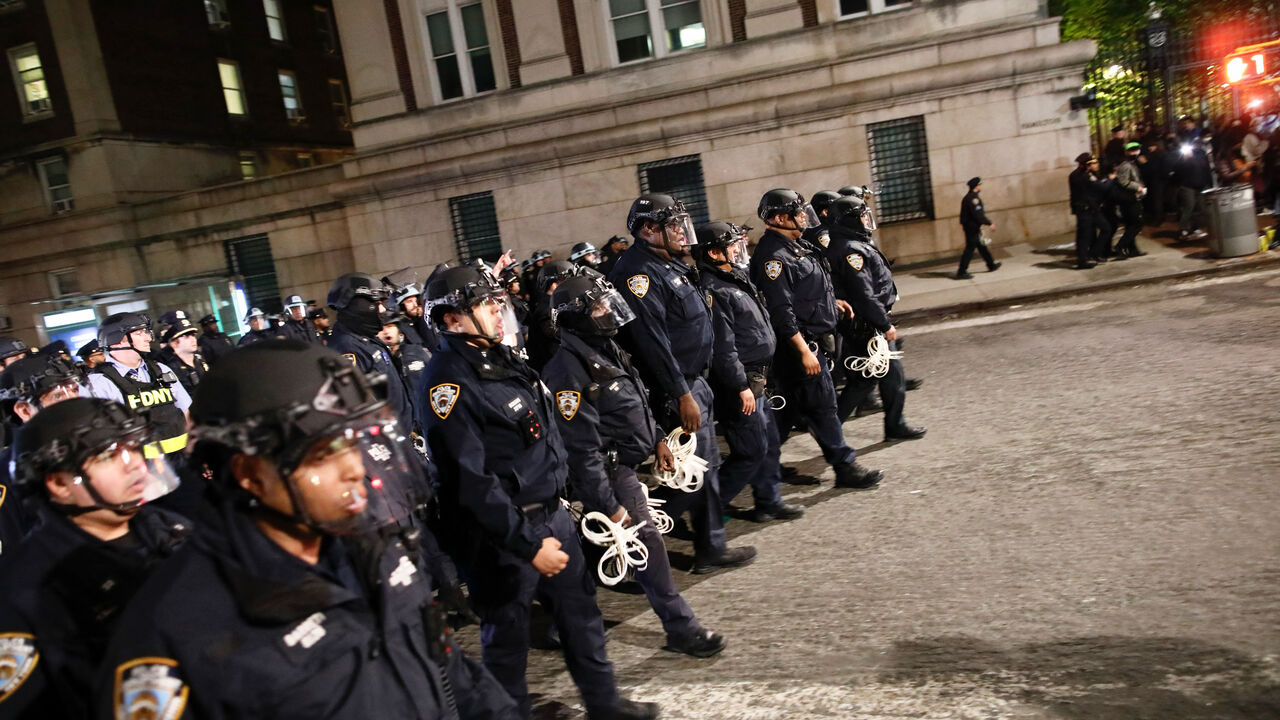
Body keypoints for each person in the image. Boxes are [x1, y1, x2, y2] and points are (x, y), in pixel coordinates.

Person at [96, 341, 517, 720]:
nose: (355, 469)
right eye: (323, 454)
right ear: (251, 474)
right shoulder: (174, 633)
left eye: (356, 443)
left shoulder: (374, 548)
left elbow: (452, 673)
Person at [419, 266, 659, 720]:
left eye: (495, 301)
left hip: (552, 516)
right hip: (504, 536)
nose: (496, 309)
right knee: (507, 638)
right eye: (484, 303)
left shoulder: (502, 358)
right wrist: (528, 545)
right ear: (452, 319)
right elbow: (470, 480)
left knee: (582, 619)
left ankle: (605, 706)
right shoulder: (446, 382)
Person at [542, 273, 727, 657]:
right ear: (577, 318)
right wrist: (610, 505)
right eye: (597, 308)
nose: (607, 312)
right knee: (648, 543)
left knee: (586, 554)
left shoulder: (606, 347)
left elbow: (636, 400)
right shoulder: (567, 371)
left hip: (624, 461)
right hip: (606, 472)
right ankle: (681, 627)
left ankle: (568, 623)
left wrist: (658, 437)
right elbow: (580, 449)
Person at [0, 397, 188, 717]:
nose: (134, 463)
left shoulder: (173, 529)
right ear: (60, 483)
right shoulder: (26, 588)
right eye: (108, 456)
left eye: (132, 447)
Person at [608, 193, 757, 574]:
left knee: (702, 468)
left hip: (694, 382)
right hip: (675, 388)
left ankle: (710, 547)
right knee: (684, 475)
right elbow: (652, 343)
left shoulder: (668, 264)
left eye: (680, 224)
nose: (680, 232)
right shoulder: (636, 274)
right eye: (671, 225)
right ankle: (624, 548)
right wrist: (682, 393)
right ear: (647, 230)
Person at [749, 189, 883, 489]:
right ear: (779, 218)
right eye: (796, 213)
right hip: (801, 345)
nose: (802, 217)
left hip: (813, 339)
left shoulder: (794, 246)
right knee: (823, 408)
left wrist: (830, 302)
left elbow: (804, 289)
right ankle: (845, 467)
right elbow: (780, 310)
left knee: (788, 414)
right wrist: (803, 350)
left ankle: (764, 469)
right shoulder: (774, 256)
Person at [693, 222, 802, 522]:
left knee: (767, 444)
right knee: (749, 451)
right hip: (740, 385)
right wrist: (741, 385)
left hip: (757, 377)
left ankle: (769, 500)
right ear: (713, 252)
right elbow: (724, 348)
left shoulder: (734, 277)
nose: (738, 249)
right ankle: (709, 516)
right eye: (731, 245)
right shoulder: (713, 289)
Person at [826, 196, 926, 442]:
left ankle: (895, 424)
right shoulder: (850, 250)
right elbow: (863, 294)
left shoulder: (852, 243)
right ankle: (828, 430)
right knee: (864, 381)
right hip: (867, 325)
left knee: (888, 376)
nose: (865, 220)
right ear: (850, 219)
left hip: (868, 322)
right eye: (861, 215)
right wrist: (884, 324)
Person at [0, 350, 90, 555]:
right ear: (24, 411)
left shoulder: (90, 447)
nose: (73, 402)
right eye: (58, 395)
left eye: (74, 390)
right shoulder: (7, 474)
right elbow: (14, 550)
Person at [85, 312, 191, 462]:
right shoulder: (99, 383)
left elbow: (187, 413)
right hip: (143, 468)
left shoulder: (161, 369)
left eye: (146, 332)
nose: (148, 338)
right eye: (139, 333)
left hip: (185, 459)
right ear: (118, 340)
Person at [326, 273, 416, 433]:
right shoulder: (347, 347)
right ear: (358, 304)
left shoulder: (364, 339)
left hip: (404, 436)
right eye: (377, 302)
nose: (382, 308)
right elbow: (359, 413)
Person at [154, 312, 211, 396]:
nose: (193, 339)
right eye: (186, 336)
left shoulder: (199, 357)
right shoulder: (169, 365)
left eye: (193, 335)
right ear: (174, 343)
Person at [1068, 153, 1108, 269]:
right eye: (1093, 163)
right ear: (1086, 165)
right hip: (1084, 210)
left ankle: (1094, 253)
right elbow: (1096, 188)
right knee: (1084, 236)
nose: (1096, 165)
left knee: (1106, 228)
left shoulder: (1088, 174)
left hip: (1093, 209)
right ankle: (1082, 261)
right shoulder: (1078, 176)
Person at [955, 177, 1000, 279]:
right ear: (976, 186)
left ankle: (991, 265)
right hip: (971, 228)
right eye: (979, 184)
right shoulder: (972, 199)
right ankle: (961, 271)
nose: (980, 186)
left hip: (972, 226)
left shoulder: (970, 197)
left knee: (981, 246)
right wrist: (989, 223)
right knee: (970, 249)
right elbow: (977, 214)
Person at [1172, 139, 1213, 241]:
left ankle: (1195, 227)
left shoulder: (1203, 156)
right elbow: (1177, 170)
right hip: (1187, 186)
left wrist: (1209, 184)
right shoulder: (1185, 157)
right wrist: (1184, 159)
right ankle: (1183, 230)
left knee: (1201, 208)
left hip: (1201, 186)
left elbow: (1207, 170)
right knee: (1189, 207)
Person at [1113, 142, 1149, 258]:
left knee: (1130, 225)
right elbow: (1123, 181)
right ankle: (1121, 245)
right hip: (1129, 199)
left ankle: (1133, 249)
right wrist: (1138, 187)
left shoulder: (1133, 164)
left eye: (1136, 150)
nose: (1135, 153)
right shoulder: (1126, 165)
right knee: (1137, 224)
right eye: (1132, 151)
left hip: (1132, 198)